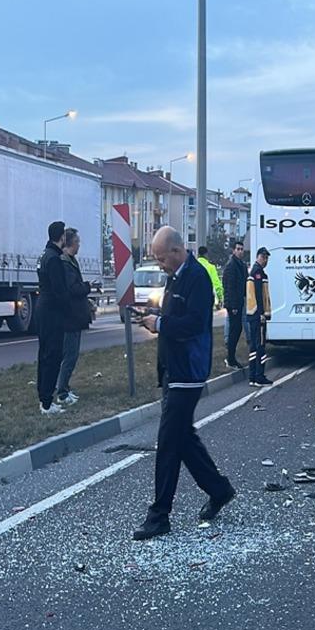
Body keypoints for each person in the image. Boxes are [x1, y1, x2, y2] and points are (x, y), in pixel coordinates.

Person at [132, 226, 235, 541]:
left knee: (168, 444)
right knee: (183, 439)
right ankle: (219, 490)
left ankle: (159, 515)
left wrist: (160, 323)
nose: (160, 265)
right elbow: (174, 314)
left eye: (162, 259)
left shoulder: (198, 278)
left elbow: (192, 323)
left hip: (188, 372)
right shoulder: (175, 276)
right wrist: (152, 314)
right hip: (173, 370)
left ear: (177, 252)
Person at [36, 220, 69, 415]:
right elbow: (59, 290)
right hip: (52, 311)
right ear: (61, 236)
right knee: (53, 355)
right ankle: (47, 402)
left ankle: (43, 396)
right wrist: (67, 308)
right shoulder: (54, 259)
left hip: (43, 309)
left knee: (44, 353)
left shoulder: (45, 255)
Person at [56, 228, 92, 406]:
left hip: (73, 316)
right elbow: (73, 289)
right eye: (77, 242)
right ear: (70, 243)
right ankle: (62, 392)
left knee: (70, 355)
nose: (79, 245)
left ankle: (65, 388)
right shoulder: (66, 263)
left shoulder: (70, 261)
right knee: (70, 355)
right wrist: (87, 287)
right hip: (70, 317)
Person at [245, 246, 273, 386]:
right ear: (260, 257)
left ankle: (252, 377)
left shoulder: (255, 271)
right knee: (260, 345)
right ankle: (259, 376)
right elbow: (258, 295)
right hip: (257, 316)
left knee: (254, 347)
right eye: (265, 258)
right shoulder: (258, 273)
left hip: (252, 315)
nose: (266, 260)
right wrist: (262, 313)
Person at [221, 240, 247, 370]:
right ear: (233, 250)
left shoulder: (241, 265)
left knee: (237, 330)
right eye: (238, 249)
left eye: (242, 249)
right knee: (234, 330)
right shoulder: (231, 266)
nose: (240, 251)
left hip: (240, 302)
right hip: (234, 305)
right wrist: (233, 306)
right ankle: (230, 358)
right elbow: (229, 287)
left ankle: (231, 357)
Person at [196, 245, 224, 309]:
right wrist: (220, 298)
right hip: (208, 302)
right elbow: (216, 284)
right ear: (206, 254)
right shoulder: (211, 267)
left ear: (198, 254)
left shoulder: (192, 267)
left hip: (194, 302)